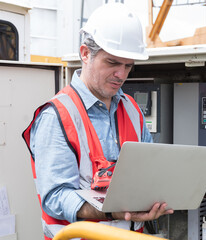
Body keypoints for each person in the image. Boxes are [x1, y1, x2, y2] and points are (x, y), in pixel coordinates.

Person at [22, 3, 173, 239]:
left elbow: (148, 174)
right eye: (112, 63)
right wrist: (114, 212)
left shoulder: (132, 110)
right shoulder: (56, 115)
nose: (121, 75)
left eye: (128, 66)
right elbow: (55, 197)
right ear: (85, 54)